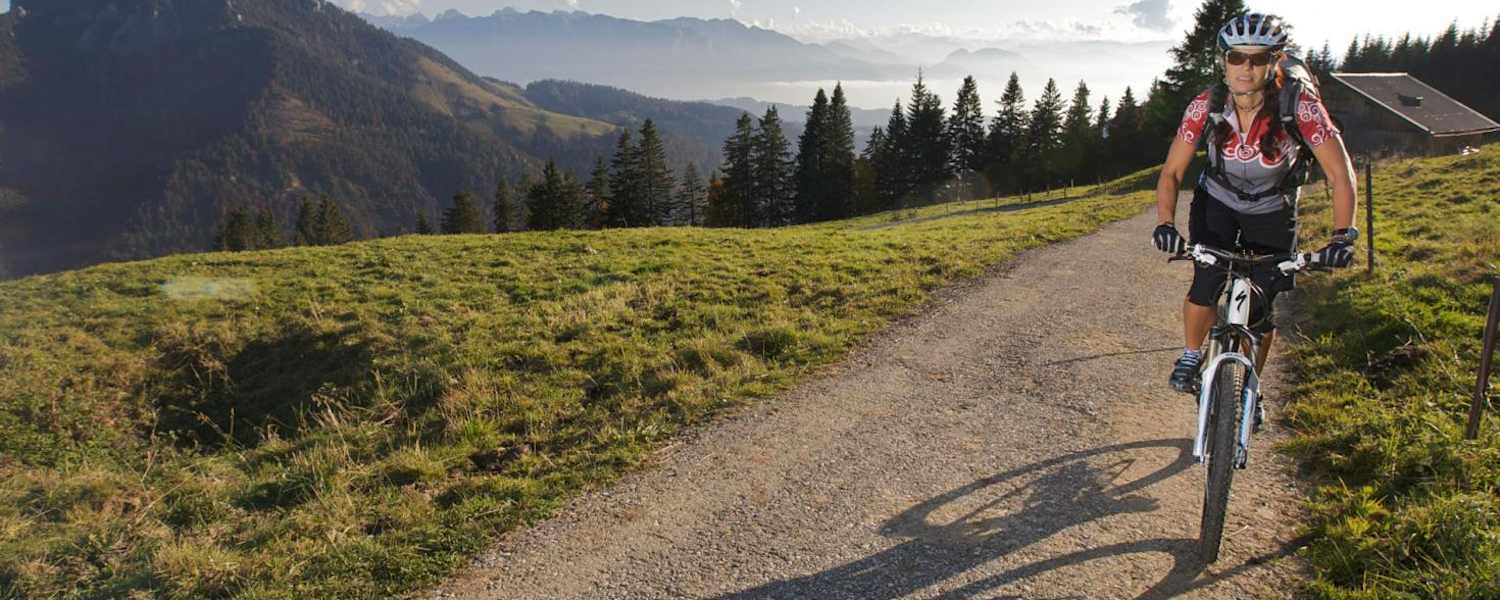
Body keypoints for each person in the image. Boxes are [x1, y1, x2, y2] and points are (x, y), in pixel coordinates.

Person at [1151, 13, 1359, 394]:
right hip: (1218, 203)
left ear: (1274, 61)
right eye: (1236, 58)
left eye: (1258, 58)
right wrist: (1165, 223)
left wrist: (1342, 236)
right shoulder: (1206, 105)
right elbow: (1171, 172)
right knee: (1207, 279)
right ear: (1223, 60)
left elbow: (1340, 174)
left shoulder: (1301, 106)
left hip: (1273, 210)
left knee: (1262, 311)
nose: (1246, 68)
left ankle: (1250, 387)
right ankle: (1192, 354)